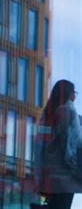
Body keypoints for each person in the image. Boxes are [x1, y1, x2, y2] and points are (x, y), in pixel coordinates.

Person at [35, 79, 82, 209]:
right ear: (68, 93)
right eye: (74, 92)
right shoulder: (67, 111)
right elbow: (69, 145)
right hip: (65, 178)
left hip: (53, 176)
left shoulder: (50, 113)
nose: (75, 96)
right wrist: (76, 169)